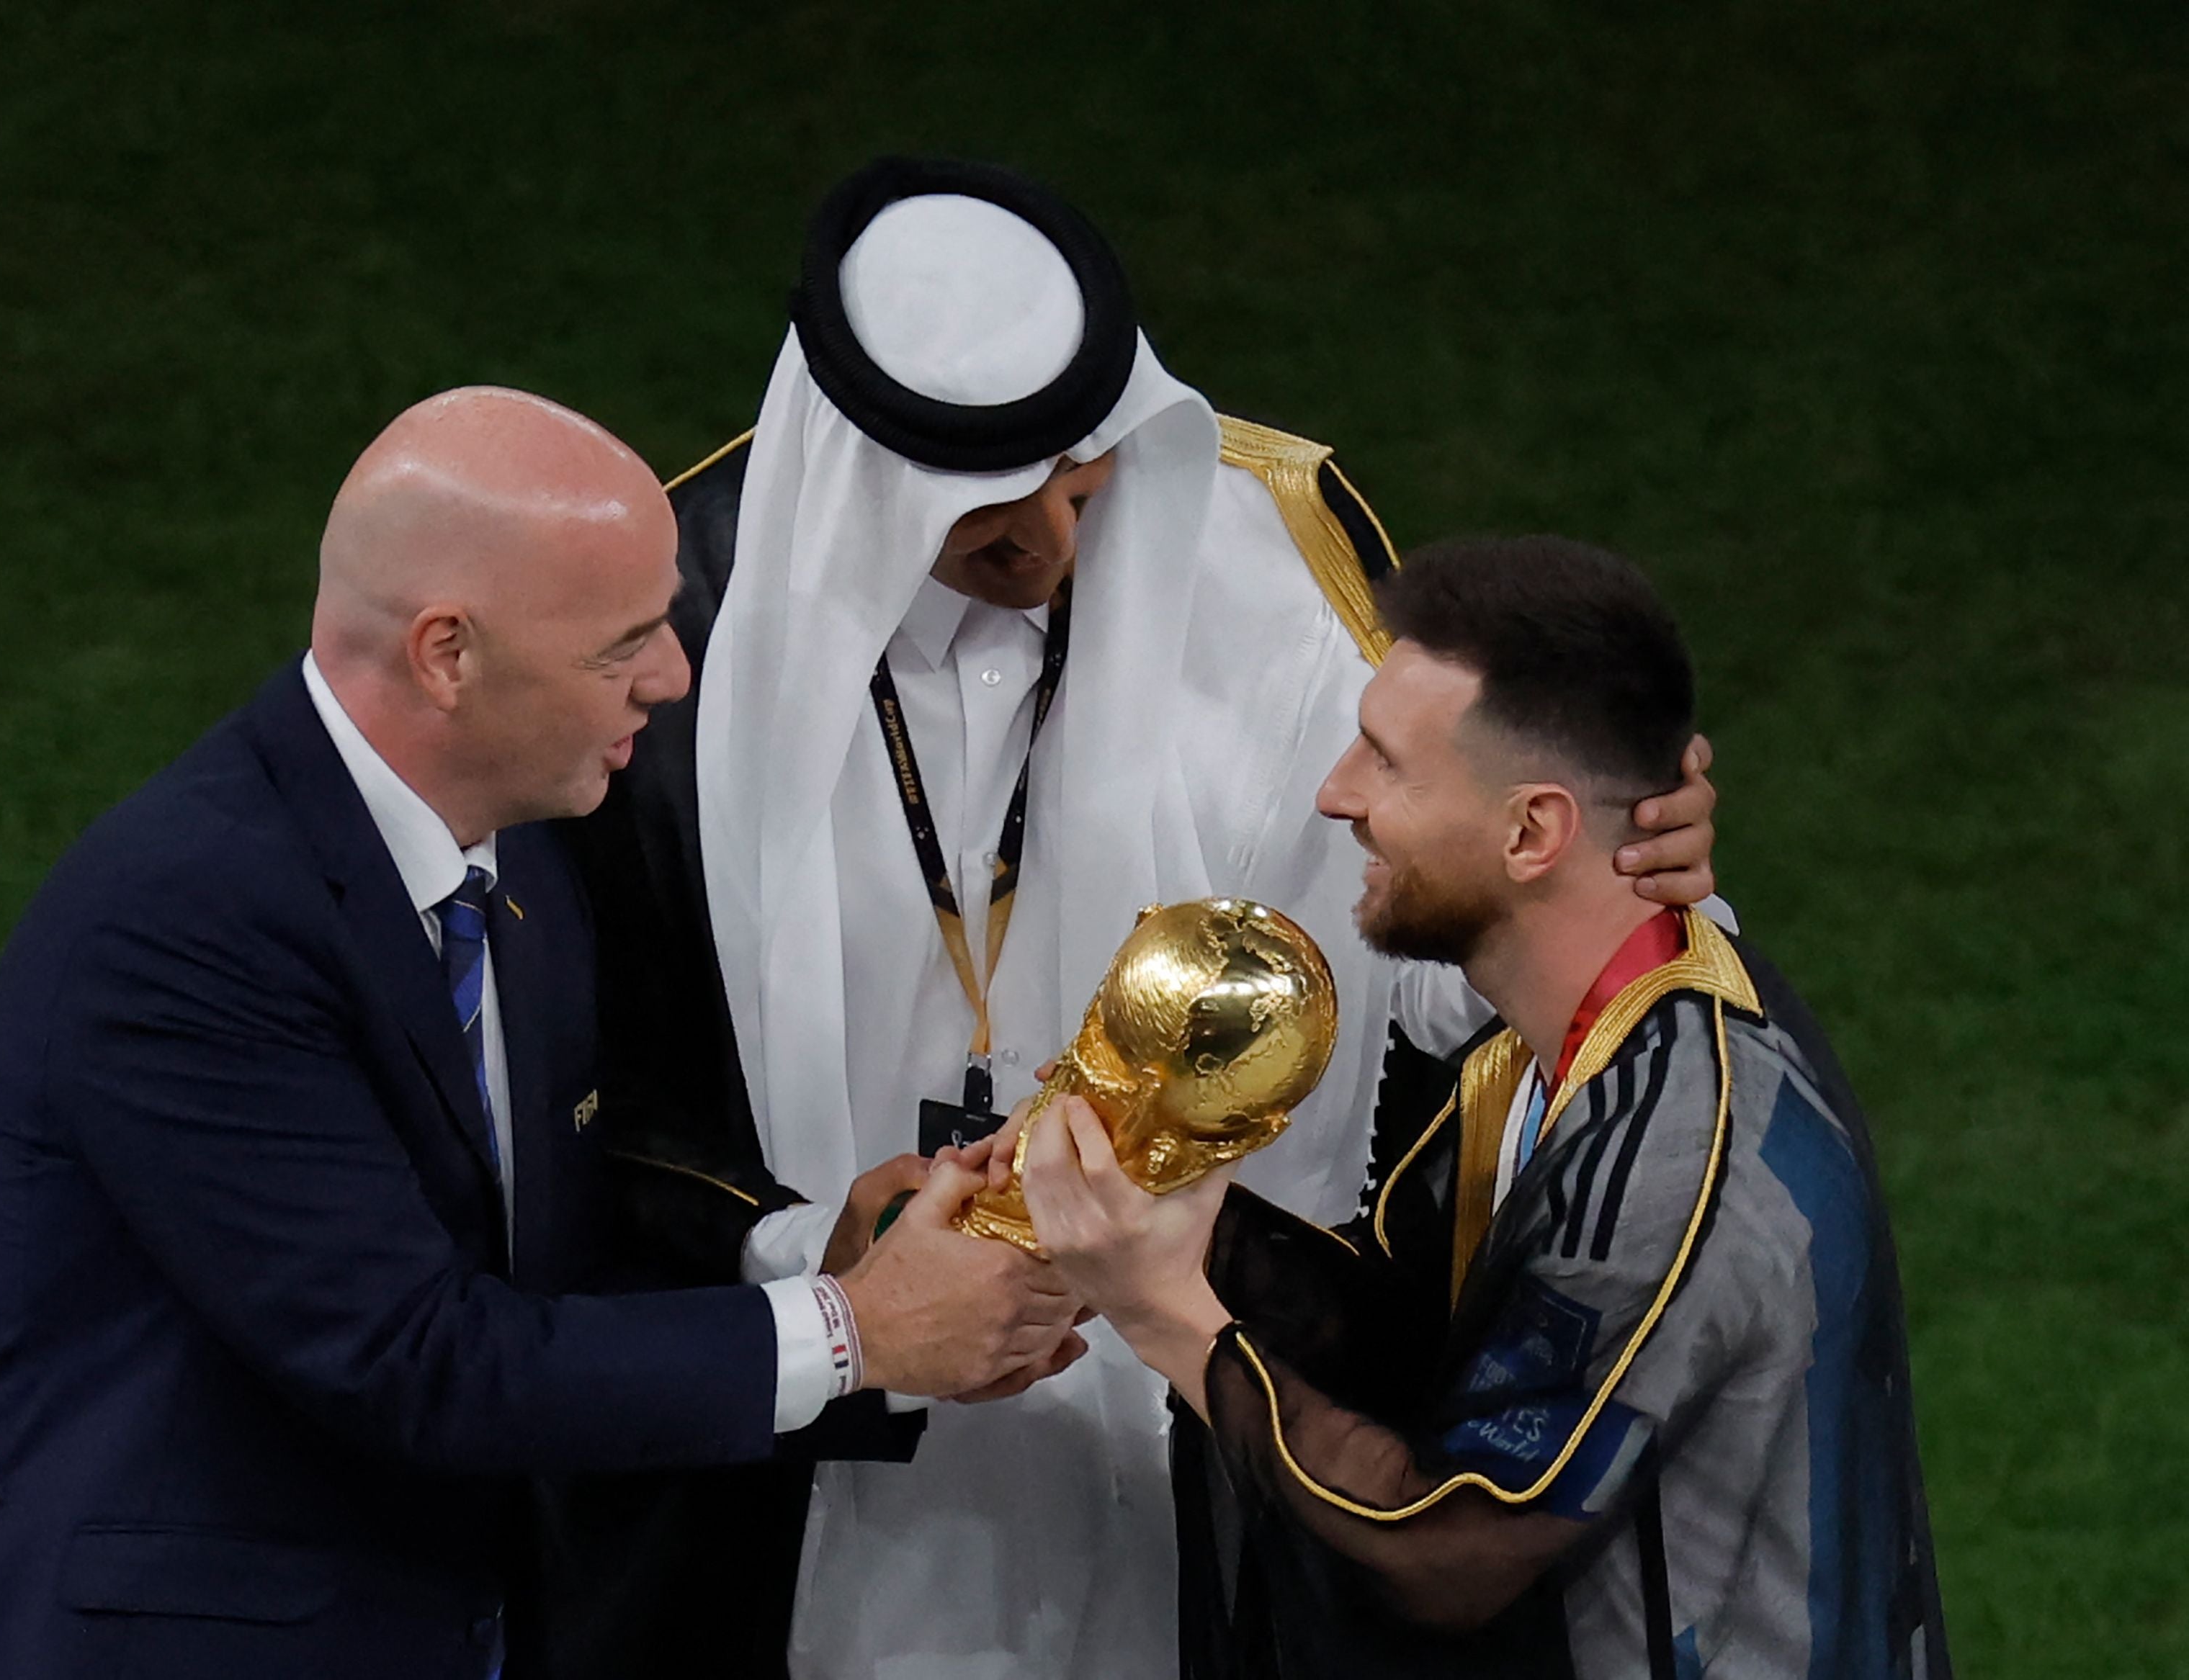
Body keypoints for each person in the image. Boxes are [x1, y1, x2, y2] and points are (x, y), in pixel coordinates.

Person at [557, 158, 1726, 1678]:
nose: (1046, 542)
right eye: (986, 520)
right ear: (865, 488)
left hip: (1177, 1414)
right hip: (811, 1445)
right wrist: (809, 1252)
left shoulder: (1263, 572)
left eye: (1087, 483)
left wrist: (1589, 861)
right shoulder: (669, 641)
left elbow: (1417, 949)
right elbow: (576, 1088)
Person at [0, 387, 1079, 1680]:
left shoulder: (521, 870)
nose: (673, 679)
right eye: (626, 644)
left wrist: (811, 1264)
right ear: (449, 654)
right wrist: (851, 1330)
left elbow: (533, 1285)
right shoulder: (185, 922)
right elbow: (413, 1356)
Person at [1022, 536, 1951, 1678]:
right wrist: (1164, 1211)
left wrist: (1166, 1314)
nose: (1336, 795)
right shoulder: (1542, 1059)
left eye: (1385, 761)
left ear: (1532, 832)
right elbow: (1412, 1337)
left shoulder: (1674, 1147)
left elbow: (1448, 1549)